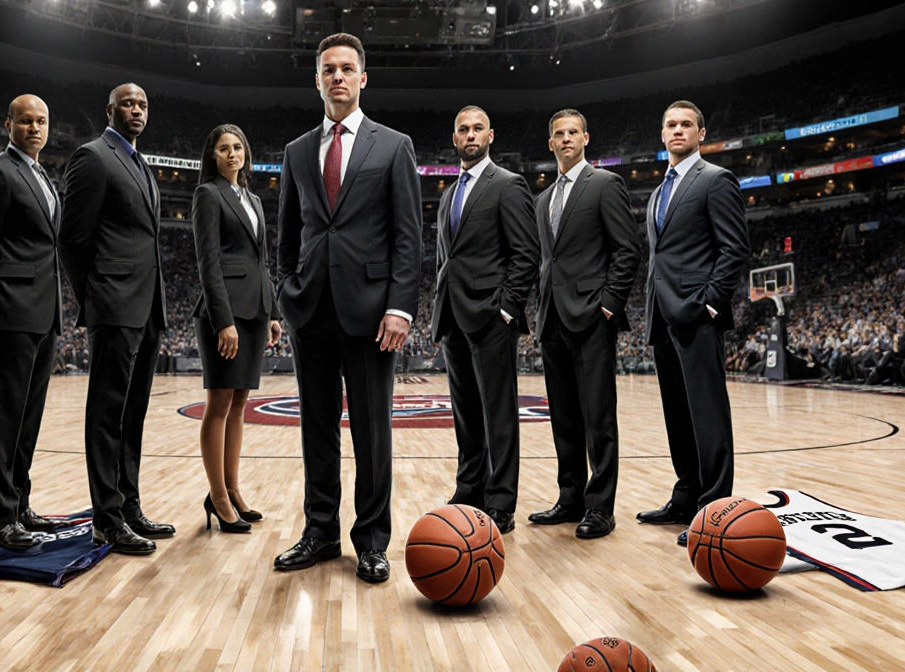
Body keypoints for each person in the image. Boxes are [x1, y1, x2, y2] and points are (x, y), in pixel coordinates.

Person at [273, 33, 422, 584]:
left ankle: (373, 541)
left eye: (347, 69)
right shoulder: (295, 151)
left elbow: (409, 237)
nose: (338, 76)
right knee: (316, 429)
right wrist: (289, 293)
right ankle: (319, 532)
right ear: (317, 80)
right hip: (310, 310)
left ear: (363, 79)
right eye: (328, 69)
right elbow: (288, 236)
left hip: (371, 312)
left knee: (371, 432)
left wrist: (400, 307)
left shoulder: (394, 145)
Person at [60, 83, 176, 555]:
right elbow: (71, 238)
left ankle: (128, 505)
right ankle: (105, 518)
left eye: (144, 105)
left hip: (147, 306)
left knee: (134, 414)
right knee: (107, 413)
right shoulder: (93, 156)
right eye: (128, 104)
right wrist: (97, 293)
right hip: (115, 302)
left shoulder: (140, 162)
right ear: (109, 109)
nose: (137, 110)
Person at [635, 100, 750, 547]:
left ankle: (714, 507)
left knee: (708, 415)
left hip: (696, 315)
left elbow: (734, 249)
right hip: (663, 316)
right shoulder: (659, 190)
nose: (678, 130)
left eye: (686, 124)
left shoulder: (716, 180)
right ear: (662, 134)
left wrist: (709, 305)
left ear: (701, 133)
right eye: (670, 124)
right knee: (677, 416)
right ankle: (685, 496)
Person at [527, 109, 640, 539]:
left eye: (573, 132)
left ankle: (601, 507)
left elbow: (627, 250)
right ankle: (570, 497)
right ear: (551, 143)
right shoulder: (542, 200)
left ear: (586, 138)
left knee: (598, 417)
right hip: (552, 317)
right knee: (564, 417)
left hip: (592, 316)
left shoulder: (605, 184)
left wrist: (608, 305)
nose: (567, 139)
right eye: (559, 134)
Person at [0, 94, 62, 549]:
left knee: (29, 417)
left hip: (44, 311)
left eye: (41, 121)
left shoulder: (43, 176)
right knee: (6, 416)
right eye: (26, 121)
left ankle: (20, 504)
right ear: (8, 125)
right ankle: (0, 517)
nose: (34, 128)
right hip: (12, 309)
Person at [431, 105, 539, 535]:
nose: (470, 135)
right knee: (465, 414)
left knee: (498, 413)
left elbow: (526, 253)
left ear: (490, 135)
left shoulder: (508, 185)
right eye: (463, 130)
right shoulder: (447, 194)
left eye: (478, 129)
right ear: (454, 138)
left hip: (491, 317)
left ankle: (500, 501)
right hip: (453, 316)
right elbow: (447, 258)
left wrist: (507, 308)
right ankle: (469, 489)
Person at [190, 124, 283, 534]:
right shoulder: (207, 195)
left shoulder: (254, 200)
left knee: (240, 404)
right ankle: (218, 496)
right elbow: (207, 263)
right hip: (225, 313)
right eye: (224, 148)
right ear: (212, 156)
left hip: (256, 309)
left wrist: (274, 312)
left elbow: (262, 261)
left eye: (237, 147)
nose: (232, 154)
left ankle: (232, 489)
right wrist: (222, 320)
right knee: (219, 403)